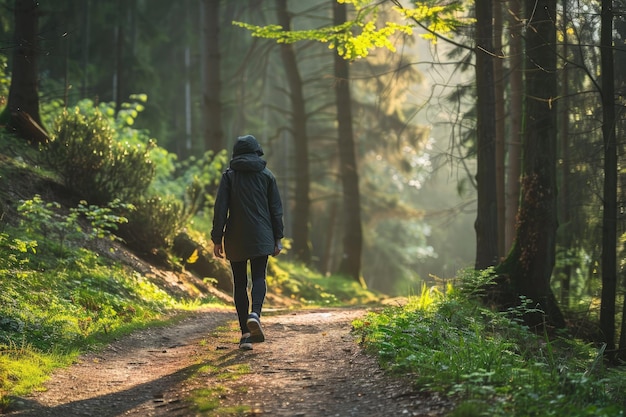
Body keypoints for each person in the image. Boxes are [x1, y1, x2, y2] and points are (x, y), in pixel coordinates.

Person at [211, 135, 284, 350]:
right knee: (259, 276)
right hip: (262, 235)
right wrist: (278, 237)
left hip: (235, 237)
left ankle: (245, 335)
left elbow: (220, 210)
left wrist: (217, 238)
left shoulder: (229, 177)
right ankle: (256, 315)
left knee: (240, 283)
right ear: (256, 152)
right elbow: (276, 211)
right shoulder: (267, 176)